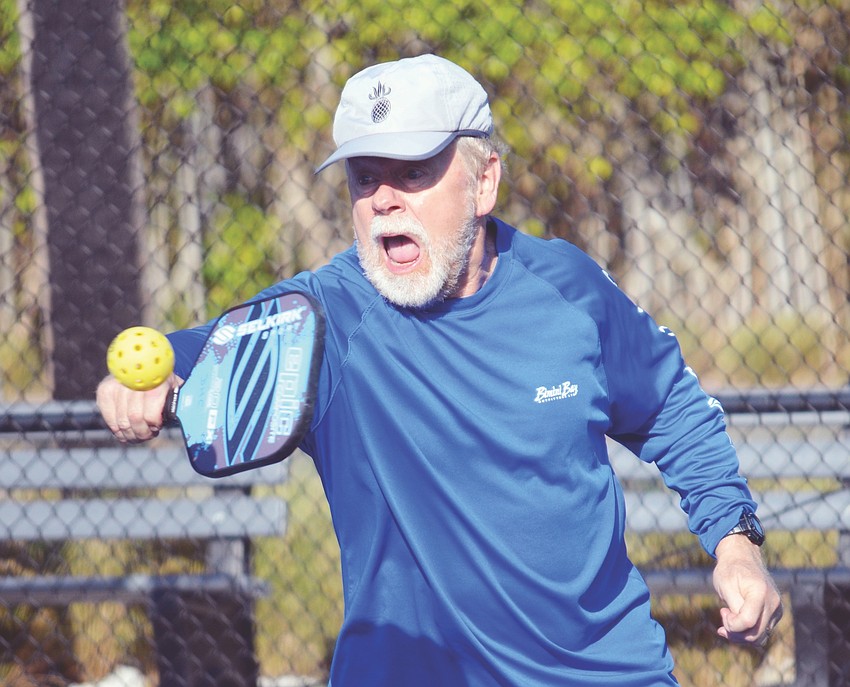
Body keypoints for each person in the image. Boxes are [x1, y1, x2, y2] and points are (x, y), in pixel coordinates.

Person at [97, 53, 783, 686]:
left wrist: (735, 545)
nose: (384, 200)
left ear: (484, 181)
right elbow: (194, 353)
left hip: (603, 671)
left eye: (414, 173)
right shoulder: (325, 317)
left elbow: (670, 408)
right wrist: (137, 385)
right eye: (365, 178)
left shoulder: (568, 289)